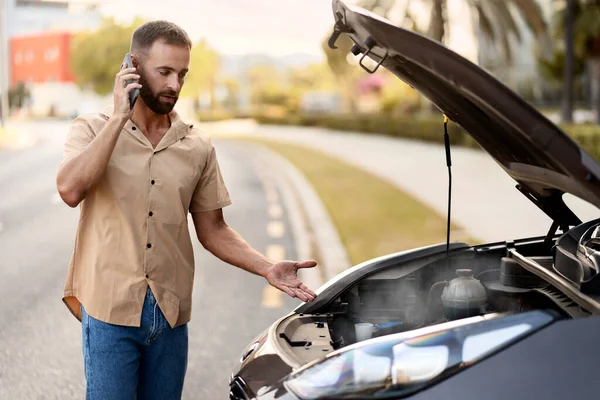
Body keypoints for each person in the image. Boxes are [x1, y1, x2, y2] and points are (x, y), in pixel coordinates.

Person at [55, 20, 317, 400]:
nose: (175, 85)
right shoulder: (92, 129)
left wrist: (266, 267)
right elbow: (69, 189)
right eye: (164, 72)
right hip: (109, 314)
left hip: (170, 316)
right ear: (133, 67)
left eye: (182, 74)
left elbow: (213, 229)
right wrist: (118, 119)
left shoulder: (197, 145)